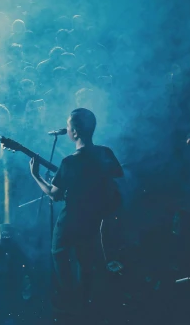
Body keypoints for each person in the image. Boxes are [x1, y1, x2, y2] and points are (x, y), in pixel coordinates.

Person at [29, 108, 123, 313]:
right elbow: (116, 174)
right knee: (86, 267)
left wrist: (36, 175)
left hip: (69, 225)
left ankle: (70, 311)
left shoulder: (69, 162)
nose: (66, 129)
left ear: (75, 132)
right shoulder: (105, 153)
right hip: (92, 222)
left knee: (63, 270)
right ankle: (87, 310)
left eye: (68, 125)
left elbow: (54, 195)